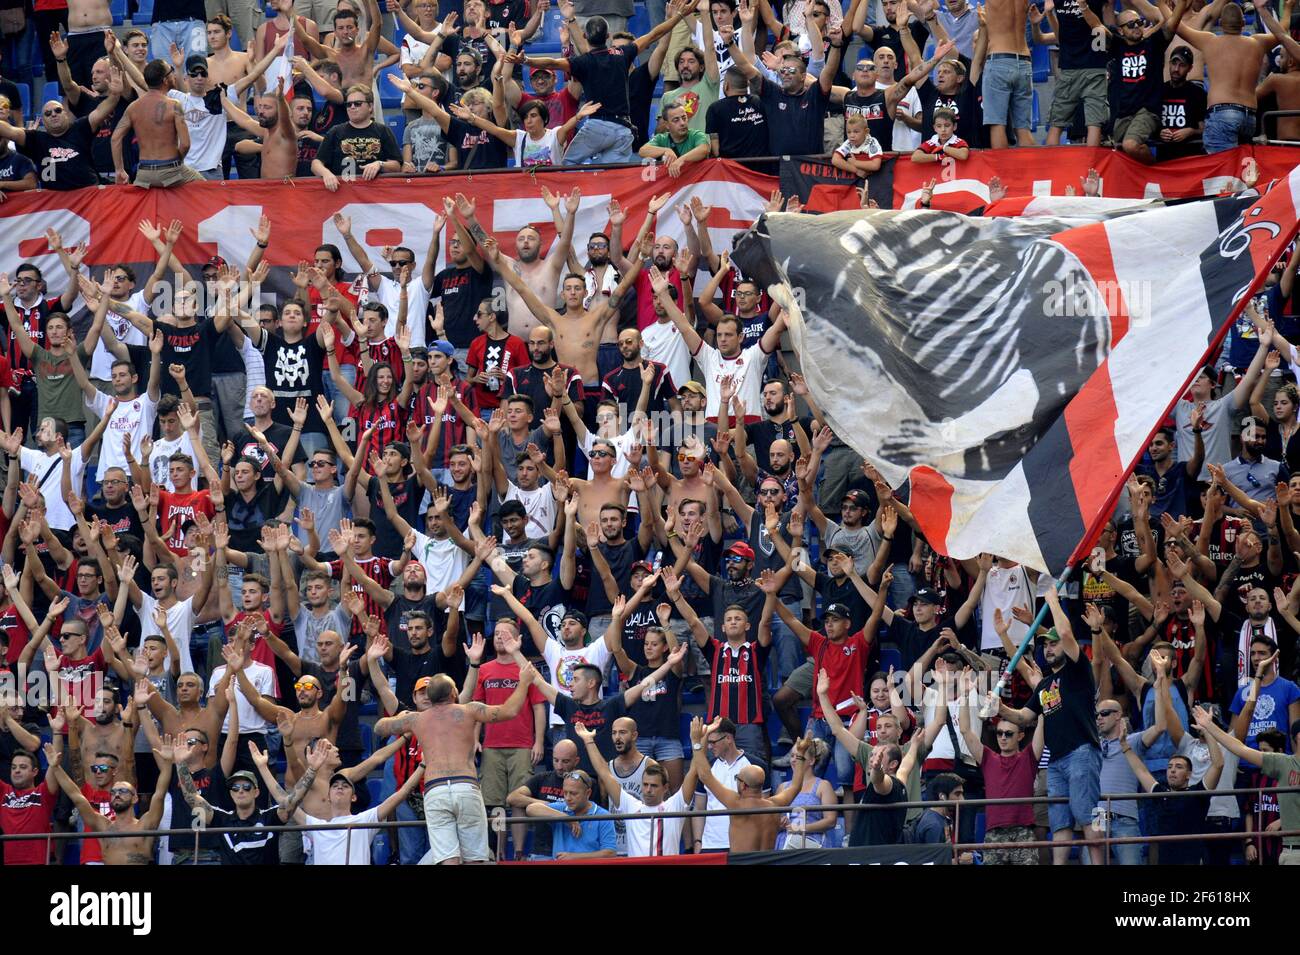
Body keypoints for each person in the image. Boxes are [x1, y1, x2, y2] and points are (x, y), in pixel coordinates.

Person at [380, 661, 540, 865]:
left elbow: (379, 728)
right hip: (465, 787)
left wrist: (402, 717)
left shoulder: (416, 719)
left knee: (448, 859)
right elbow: (509, 711)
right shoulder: (469, 710)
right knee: (475, 858)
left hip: (435, 790)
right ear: (454, 693)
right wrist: (524, 682)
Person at [992, 587, 1104, 865]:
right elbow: (1024, 718)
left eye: (1053, 643)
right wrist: (1000, 709)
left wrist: (1053, 601)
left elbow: (1067, 635)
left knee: (1088, 817)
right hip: (1054, 761)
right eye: (1045, 644)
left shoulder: (1078, 670)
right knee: (1060, 825)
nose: (1049, 647)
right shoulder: (1044, 685)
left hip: (1081, 752)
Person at [957, 668, 1044, 864]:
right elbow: (965, 730)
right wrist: (964, 695)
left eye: (1009, 734)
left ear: (1020, 736)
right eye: (999, 733)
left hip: (1023, 831)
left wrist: (1040, 688)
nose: (1003, 737)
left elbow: (1042, 722)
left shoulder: (1028, 757)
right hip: (994, 833)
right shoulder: (988, 758)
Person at [579, 720, 700, 857]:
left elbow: (694, 772)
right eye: (645, 784)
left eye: (654, 786)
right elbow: (604, 772)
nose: (648, 790)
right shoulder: (631, 805)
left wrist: (698, 742)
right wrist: (589, 740)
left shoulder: (675, 806)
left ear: (665, 788)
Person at [1122, 705, 1225, 864]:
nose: (1172, 771)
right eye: (1169, 767)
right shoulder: (1161, 794)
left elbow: (1218, 764)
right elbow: (1141, 771)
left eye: (1179, 767)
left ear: (1189, 774)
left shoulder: (1198, 793)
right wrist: (1125, 747)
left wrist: (1207, 731)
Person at [692, 719, 813, 851]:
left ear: (743, 786)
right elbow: (796, 786)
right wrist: (800, 755)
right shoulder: (774, 805)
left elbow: (705, 776)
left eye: (737, 778)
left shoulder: (736, 804)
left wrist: (697, 743)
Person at [0, 66, 122, 190]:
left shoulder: (80, 128)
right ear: (43, 120)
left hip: (88, 199)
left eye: (58, 110)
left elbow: (100, 111)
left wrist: (115, 95)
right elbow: (8, 131)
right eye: (48, 113)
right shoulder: (35, 139)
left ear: (66, 113)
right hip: (55, 205)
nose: (53, 114)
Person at [111, 58, 206, 187]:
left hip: (144, 173)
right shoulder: (174, 105)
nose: (174, 74)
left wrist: (119, 170)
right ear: (165, 80)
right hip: (170, 170)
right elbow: (185, 144)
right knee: (205, 187)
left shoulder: (133, 107)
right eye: (171, 71)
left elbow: (115, 138)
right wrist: (177, 162)